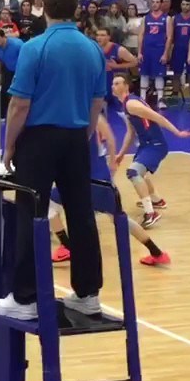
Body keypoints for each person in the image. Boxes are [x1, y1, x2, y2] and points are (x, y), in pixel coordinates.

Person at [0, 0, 107, 321]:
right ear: (76, 8)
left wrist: (9, 146)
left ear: (42, 5)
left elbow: (19, 104)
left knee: (31, 212)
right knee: (81, 214)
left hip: (40, 141)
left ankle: (26, 298)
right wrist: (82, 136)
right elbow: (97, 102)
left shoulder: (35, 48)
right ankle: (87, 294)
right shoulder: (92, 49)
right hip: (76, 139)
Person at [46, 114, 171, 268]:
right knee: (118, 217)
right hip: (101, 176)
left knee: (50, 207)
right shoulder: (95, 115)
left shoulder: (73, 118)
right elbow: (111, 140)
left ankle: (67, 246)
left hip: (84, 177)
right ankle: (156, 252)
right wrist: (112, 164)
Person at [113, 74, 190, 229]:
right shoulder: (126, 104)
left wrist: (177, 132)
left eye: (117, 83)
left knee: (133, 172)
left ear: (126, 86)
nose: (113, 86)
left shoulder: (132, 104)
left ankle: (150, 213)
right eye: (113, 83)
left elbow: (158, 117)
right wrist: (121, 154)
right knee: (140, 174)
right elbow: (130, 133)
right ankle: (157, 201)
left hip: (155, 145)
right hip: (146, 145)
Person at [136, 2, 171, 108]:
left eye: (157, 2)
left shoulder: (167, 18)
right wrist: (139, 52)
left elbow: (169, 37)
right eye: (153, 2)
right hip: (147, 50)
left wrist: (165, 53)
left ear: (161, 4)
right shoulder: (145, 18)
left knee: (159, 74)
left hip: (159, 50)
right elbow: (141, 35)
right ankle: (142, 99)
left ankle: (160, 99)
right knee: (144, 73)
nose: (154, 4)